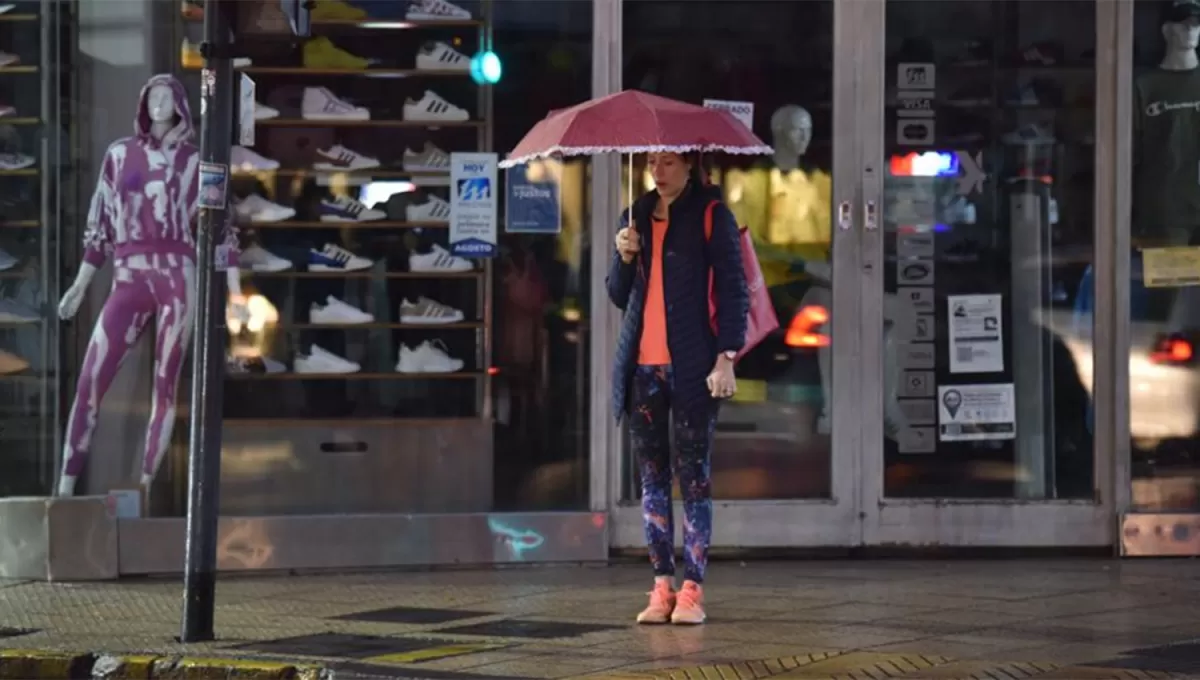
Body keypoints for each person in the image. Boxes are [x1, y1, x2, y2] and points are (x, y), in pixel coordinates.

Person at [607, 151, 749, 625]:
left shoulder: (711, 215)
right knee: (652, 480)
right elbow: (617, 294)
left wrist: (726, 356)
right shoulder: (634, 218)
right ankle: (661, 585)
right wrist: (624, 255)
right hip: (643, 369)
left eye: (668, 162)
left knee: (694, 479)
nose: (657, 171)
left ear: (690, 165)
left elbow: (734, 290)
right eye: (652, 161)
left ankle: (693, 589)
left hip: (692, 369)